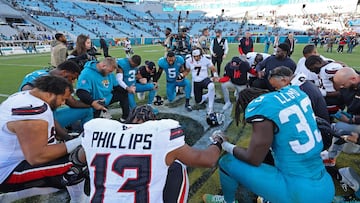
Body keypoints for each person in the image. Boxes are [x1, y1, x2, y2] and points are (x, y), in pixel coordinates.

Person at [203, 85, 335, 203]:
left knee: (226, 162)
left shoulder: (261, 109)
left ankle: (228, 201)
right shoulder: (294, 93)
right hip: (325, 184)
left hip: (298, 193)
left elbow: (253, 159)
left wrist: (225, 144)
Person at [79, 105, 221, 203]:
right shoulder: (161, 133)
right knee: (177, 164)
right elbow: (207, 160)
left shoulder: (97, 129)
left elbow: (79, 158)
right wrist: (218, 142)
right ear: (153, 121)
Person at [0, 76, 88, 203]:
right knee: (78, 161)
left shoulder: (24, 96)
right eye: (63, 99)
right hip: (9, 172)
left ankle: (11, 197)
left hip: (12, 160)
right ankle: (79, 200)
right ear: (50, 93)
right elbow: (37, 157)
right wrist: (78, 141)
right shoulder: (33, 110)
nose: (63, 103)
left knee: (72, 155)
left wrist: (68, 139)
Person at [19, 60, 94, 140]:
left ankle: (78, 132)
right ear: (64, 72)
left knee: (86, 109)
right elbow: (28, 93)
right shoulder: (46, 84)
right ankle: (84, 138)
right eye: (72, 78)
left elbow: (72, 102)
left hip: (46, 117)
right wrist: (67, 137)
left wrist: (93, 103)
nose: (72, 82)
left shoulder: (45, 75)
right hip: (37, 122)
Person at [76, 57, 130, 121]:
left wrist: (127, 89)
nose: (110, 73)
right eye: (109, 71)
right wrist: (93, 102)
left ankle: (125, 118)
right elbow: (81, 92)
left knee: (123, 93)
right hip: (94, 101)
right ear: (103, 66)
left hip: (106, 98)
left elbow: (116, 86)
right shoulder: (86, 73)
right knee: (94, 122)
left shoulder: (108, 73)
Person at [186, 49, 218, 114]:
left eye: (197, 56)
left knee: (211, 86)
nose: (196, 58)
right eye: (194, 56)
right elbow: (187, 70)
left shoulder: (205, 59)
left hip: (204, 79)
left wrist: (215, 75)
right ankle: (208, 95)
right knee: (198, 101)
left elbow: (213, 69)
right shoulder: (188, 60)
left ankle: (210, 107)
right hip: (196, 82)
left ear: (200, 55)